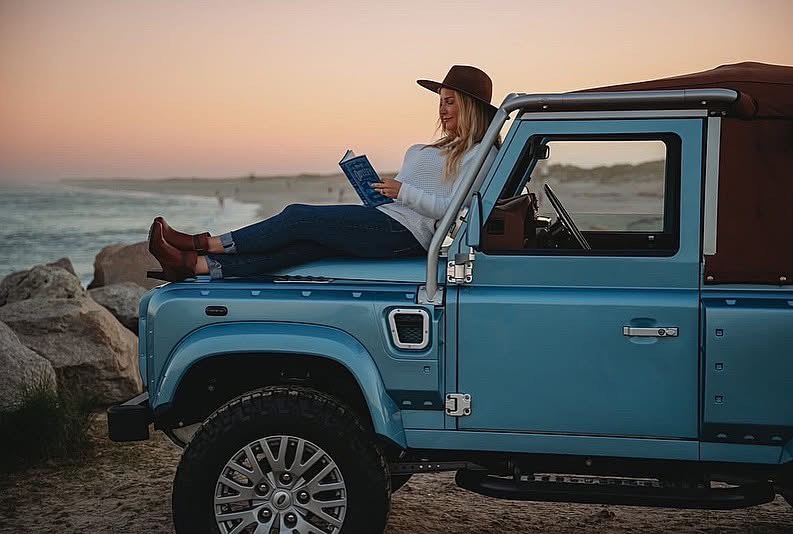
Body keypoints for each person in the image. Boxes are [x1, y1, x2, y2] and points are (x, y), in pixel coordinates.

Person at [148, 65, 499, 281]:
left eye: (449, 100)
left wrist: (402, 192)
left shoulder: (482, 154)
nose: (441, 107)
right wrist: (381, 192)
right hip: (386, 219)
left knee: (298, 217)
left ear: (469, 106)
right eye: (440, 99)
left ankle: (203, 244)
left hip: (406, 235)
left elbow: (457, 210)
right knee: (306, 247)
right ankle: (196, 266)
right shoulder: (443, 147)